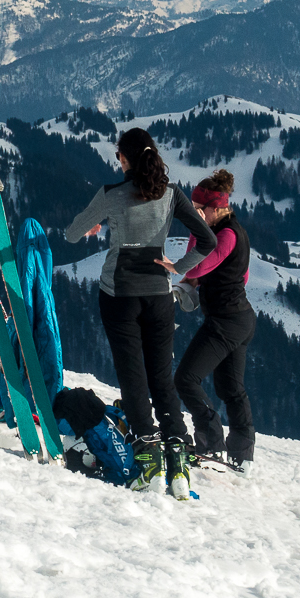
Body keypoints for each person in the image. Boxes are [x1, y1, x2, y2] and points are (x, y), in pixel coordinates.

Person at [62, 126, 220, 496]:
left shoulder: (111, 195)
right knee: (161, 378)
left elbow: (72, 233)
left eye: (118, 156)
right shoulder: (171, 195)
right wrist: (179, 267)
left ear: (125, 158)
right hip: (159, 297)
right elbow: (209, 240)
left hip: (118, 296)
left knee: (132, 377)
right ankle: (178, 465)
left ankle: (147, 460)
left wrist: (99, 224)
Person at [174, 170, 258, 473]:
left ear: (216, 208)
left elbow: (197, 266)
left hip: (226, 322)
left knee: (185, 378)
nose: (195, 213)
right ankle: (242, 454)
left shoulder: (227, 234)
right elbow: (242, 276)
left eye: (200, 208)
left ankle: (211, 443)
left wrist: (184, 273)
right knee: (230, 388)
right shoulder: (227, 230)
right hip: (239, 319)